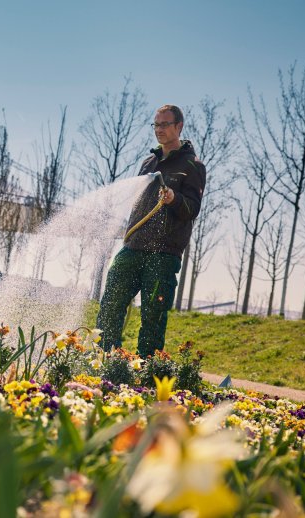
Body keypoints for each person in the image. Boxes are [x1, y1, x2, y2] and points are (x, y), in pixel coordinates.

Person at [95, 105, 207, 358]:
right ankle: (102, 360)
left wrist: (174, 198)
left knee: (152, 317)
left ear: (179, 126)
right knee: (110, 304)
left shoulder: (193, 166)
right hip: (133, 248)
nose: (159, 130)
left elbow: (193, 208)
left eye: (165, 124)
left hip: (163, 254)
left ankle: (145, 373)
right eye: (156, 125)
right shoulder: (149, 162)